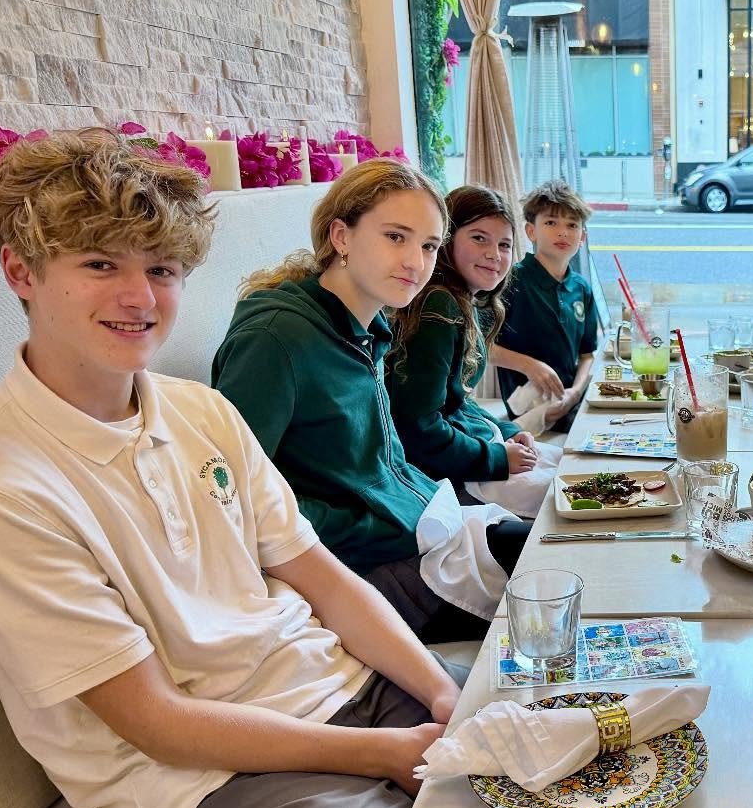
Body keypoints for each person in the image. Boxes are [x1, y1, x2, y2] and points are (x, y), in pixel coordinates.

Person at [0, 129, 464, 808]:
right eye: (101, 263)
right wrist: (386, 754)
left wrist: (443, 694)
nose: (140, 297)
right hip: (215, 770)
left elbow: (324, 579)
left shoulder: (200, 411)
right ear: (21, 272)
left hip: (342, 683)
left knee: (560, 767)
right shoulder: (3, 488)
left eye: (162, 269)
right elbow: (156, 723)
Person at [212, 160, 530, 642]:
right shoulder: (275, 340)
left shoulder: (367, 330)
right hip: (365, 566)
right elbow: (237, 501)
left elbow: (386, 460)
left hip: (420, 527)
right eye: (395, 237)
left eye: (428, 246)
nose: (415, 263)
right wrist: (373, 524)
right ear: (341, 236)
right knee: (554, 609)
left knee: (563, 552)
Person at [389, 185, 562, 518]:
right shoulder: (437, 308)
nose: (494, 254)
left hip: (473, 443)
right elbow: (417, 427)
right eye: (479, 238)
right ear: (446, 239)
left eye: (504, 245)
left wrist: (510, 431)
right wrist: (496, 458)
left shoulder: (464, 303)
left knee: (569, 464)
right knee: (567, 492)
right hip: (448, 471)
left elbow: (456, 400)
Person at [491, 179, 598, 434]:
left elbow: (587, 355)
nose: (563, 232)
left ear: (582, 237)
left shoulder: (581, 288)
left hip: (570, 401)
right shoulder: (510, 281)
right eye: (551, 223)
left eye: (572, 225)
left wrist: (576, 392)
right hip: (527, 409)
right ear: (531, 231)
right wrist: (530, 365)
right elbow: (480, 347)